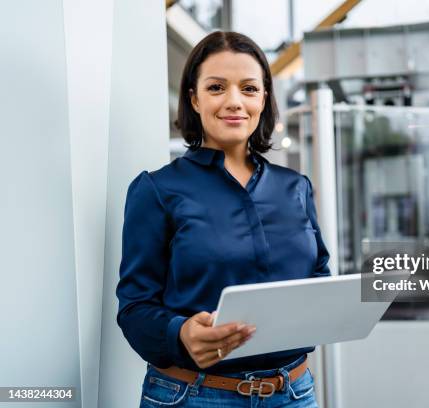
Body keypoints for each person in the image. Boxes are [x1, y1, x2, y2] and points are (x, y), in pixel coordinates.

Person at [115, 30, 330, 408]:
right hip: (193, 395)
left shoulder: (295, 187)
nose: (235, 102)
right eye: (217, 88)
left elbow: (319, 279)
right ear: (194, 99)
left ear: (264, 98)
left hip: (293, 393)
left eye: (249, 88)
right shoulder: (157, 190)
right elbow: (134, 308)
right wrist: (179, 333)